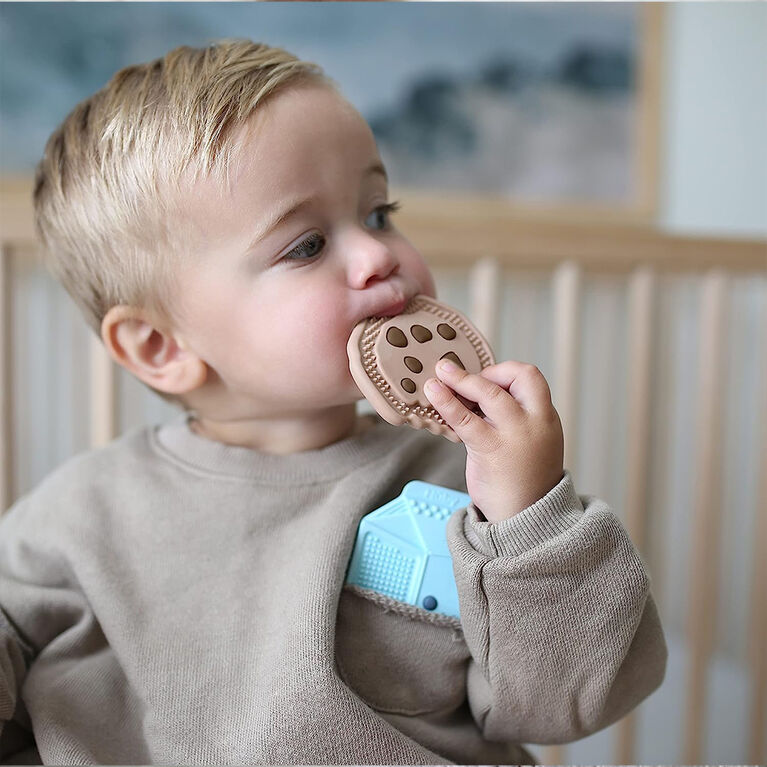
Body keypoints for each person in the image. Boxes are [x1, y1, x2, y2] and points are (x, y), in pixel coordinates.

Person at [0, 39, 666, 765]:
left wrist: (530, 517)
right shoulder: (80, 515)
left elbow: (569, 702)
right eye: (308, 243)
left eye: (379, 212)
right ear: (162, 346)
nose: (379, 254)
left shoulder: (466, 486)